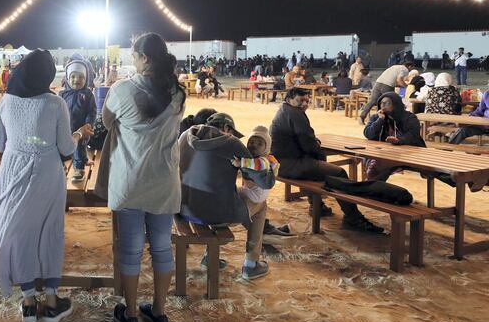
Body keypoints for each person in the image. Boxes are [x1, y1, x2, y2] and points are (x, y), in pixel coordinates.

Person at [0, 49, 92, 322]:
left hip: (13, 172)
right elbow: (66, 148)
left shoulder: (6, 102)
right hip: (47, 173)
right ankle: (52, 303)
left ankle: (29, 303)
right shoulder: (54, 104)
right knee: (49, 232)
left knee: (20, 233)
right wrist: (79, 133)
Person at [102, 33, 185, 322]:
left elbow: (108, 122)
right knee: (162, 247)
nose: (132, 60)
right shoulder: (177, 93)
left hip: (131, 181)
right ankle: (160, 314)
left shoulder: (121, 90)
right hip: (164, 181)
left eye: (134, 55)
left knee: (131, 249)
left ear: (144, 58)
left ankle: (131, 314)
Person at [270, 87, 383, 233]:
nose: (304, 104)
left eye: (306, 101)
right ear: (289, 100)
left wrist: (316, 153)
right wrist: (319, 154)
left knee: (314, 165)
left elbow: (305, 143)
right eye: (300, 100)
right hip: (291, 165)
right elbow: (309, 145)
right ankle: (353, 217)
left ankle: (316, 205)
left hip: (280, 163)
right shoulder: (295, 113)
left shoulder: (284, 111)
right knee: (339, 173)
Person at [179, 116, 272, 280]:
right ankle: (251, 264)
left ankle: (211, 256)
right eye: (232, 132)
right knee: (260, 205)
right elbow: (265, 182)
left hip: (185, 208)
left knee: (221, 193)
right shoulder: (231, 143)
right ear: (226, 127)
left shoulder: (185, 135)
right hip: (215, 214)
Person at [363, 92, 425, 180]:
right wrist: (380, 120)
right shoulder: (377, 117)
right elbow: (368, 134)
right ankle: (371, 187)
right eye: (381, 103)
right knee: (372, 160)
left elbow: (413, 135)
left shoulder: (409, 117)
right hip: (384, 151)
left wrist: (399, 140)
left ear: (395, 104)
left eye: (387, 103)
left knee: (377, 164)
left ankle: (370, 187)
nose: (383, 105)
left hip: (407, 151)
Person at [59, 58, 97, 182]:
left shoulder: (88, 94)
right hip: (65, 128)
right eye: (73, 76)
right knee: (62, 148)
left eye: (81, 77)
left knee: (79, 148)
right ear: (67, 78)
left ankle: (79, 168)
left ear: (86, 79)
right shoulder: (63, 95)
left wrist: (88, 124)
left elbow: (92, 111)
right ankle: (61, 167)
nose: (77, 80)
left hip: (82, 129)